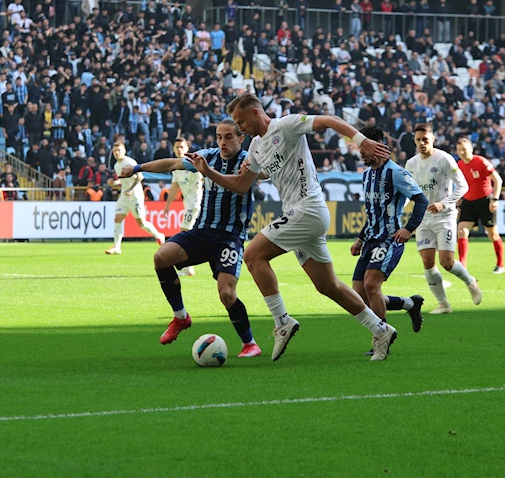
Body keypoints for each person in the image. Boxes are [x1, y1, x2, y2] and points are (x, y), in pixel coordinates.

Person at [186, 92, 396, 362]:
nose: (240, 129)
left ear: (255, 113)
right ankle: (381, 329)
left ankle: (282, 321)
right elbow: (241, 185)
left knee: (252, 255)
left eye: (240, 122)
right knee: (327, 285)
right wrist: (209, 172)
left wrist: (361, 140)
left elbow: (330, 120)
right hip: (299, 215)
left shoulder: (287, 125)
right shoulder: (256, 148)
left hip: (307, 208)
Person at [119, 120, 261, 358]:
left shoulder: (249, 161)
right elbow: (173, 163)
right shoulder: (207, 156)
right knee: (161, 257)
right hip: (202, 232)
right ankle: (181, 317)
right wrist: (137, 168)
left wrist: (209, 171)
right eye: (219, 137)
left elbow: (247, 184)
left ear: (241, 138)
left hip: (229, 237)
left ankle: (250, 343)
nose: (223, 142)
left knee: (226, 294)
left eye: (228, 137)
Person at [350, 126, 427, 353]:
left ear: (380, 147)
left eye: (365, 148)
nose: (361, 153)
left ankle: (381, 340)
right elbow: (374, 213)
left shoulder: (396, 173)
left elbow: (421, 201)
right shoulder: (366, 175)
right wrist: (360, 238)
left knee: (372, 285)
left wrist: (409, 229)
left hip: (389, 239)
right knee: (359, 296)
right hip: (371, 239)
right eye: (360, 148)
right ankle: (410, 304)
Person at [405, 124, 482, 315]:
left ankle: (470, 281)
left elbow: (462, 186)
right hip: (423, 218)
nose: (422, 143)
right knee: (427, 261)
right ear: (414, 141)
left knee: (446, 262)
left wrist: (444, 203)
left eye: (425, 139)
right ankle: (443, 304)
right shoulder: (411, 164)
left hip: (444, 216)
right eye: (418, 140)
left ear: (433, 139)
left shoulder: (444, 159)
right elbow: (408, 191)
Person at [456, 136, 505, 274]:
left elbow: (498, 180)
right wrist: (458, 204)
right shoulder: (458, 165)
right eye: (459, 150)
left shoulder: (481, 161)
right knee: (461, 230)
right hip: (468, 202)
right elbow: (458, 186)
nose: (462, 152)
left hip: (485, 201)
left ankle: (500, 264)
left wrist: (494, 199)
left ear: (471, 149)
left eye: (464, 149)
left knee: (493, 234)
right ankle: (462, 265)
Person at [105, 142, 165, 254]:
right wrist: (114, 182)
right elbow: (123, 180)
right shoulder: (116, 165)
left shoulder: (129, 162)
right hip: (124, 196)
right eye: (114, 151)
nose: (117, 153)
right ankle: (116, 247)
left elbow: (140, 177)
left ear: (124, 151)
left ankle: (159, 235)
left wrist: (131, 189)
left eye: (119, 150)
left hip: (135, 196)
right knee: (117, 219)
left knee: (141, 223)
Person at [162, 138, 203, 277]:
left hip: (196, 203)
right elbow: (174, 187)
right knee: (195, 235)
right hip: (189, 204)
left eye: (181, 147)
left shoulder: (193, 163)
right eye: (177, 147)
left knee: (185, 233)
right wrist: (167, 205)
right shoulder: (176, 167)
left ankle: (188, 268)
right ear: (173, 149)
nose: (179, 149)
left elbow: (206, 176)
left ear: (187, 148)